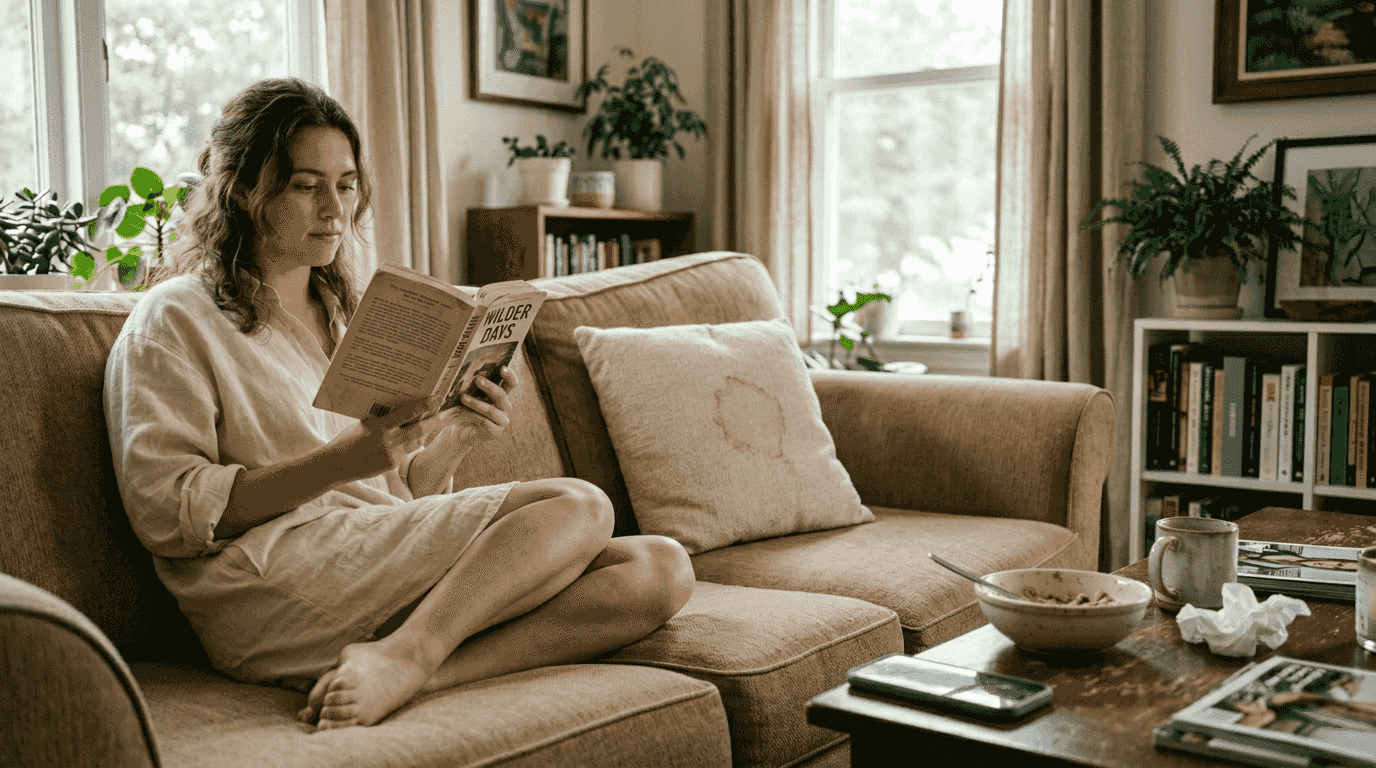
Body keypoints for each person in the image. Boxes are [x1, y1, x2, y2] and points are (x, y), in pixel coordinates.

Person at [103, 77, 694, 730]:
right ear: (241, 188)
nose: (335, 209)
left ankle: (418, 667)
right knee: (579, 505)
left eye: (347, 184)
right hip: (267, 582)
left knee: (659, 569)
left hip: (362, 557)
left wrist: (460, 431)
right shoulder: (175, 318)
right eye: (307, 185)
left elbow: (399, 493)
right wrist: (341, 461)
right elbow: (169, 513)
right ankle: (416, 650)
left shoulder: (340, 312)